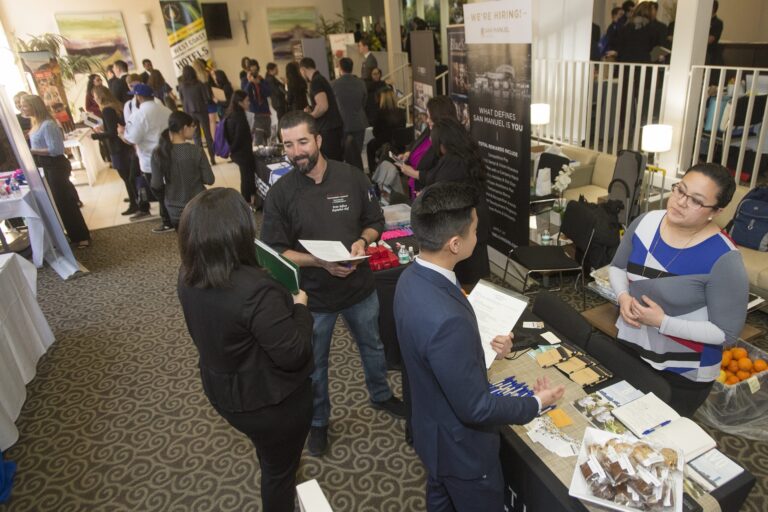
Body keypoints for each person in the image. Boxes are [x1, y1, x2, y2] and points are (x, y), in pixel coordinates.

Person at [394, 180, 565, 511]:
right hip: (463, 453)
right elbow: (476, 408)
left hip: (430, 433)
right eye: (475, 230)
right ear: (455, 244)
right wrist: (535, 402)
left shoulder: (411, 278)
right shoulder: (447, 321)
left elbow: (429, 351)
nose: (478, 236)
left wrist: (479, 348)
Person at [261, 111, 405, 457]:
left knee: (372, 346)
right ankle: (319, 421)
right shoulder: (281, 193)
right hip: (312, 298)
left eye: (303, 142)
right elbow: (275, 252)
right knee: (315, 364)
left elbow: (375, 221)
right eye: (288, 144)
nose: (296, 151)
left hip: (359, 287)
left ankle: (382, 395)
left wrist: (362, 242)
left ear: (319, 140)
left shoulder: (351, 177)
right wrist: (320, 262)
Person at [177, 187, 314, 512]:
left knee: (270, 455)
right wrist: (300, 308)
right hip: (270, 404)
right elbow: (294, 353)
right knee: (279, 473)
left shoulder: (187, 275)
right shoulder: (256, 289)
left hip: (224, 392)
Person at [609, 163, 748, 417]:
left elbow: (725, 333)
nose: (680, 202)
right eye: (680, 190)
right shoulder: (645, 223)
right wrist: (623, 295)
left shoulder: (724, 258)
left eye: (695, 200)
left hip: (683, 371)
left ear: (716, 211)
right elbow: (617, 267)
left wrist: (663, 322)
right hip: (631, 345)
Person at [417, 119, 490, 289]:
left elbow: (442, 193)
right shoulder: (467, 155)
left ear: (443, 142)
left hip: (466, 224)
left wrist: (427, 195)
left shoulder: (453, 162)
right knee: (473, 273)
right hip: (473, 220)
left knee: (468, 280)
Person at [22, 94, 91, 248]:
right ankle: (74, 235)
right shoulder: (36, 123)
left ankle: (82, 236)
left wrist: (32, 151)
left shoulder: (48, 124)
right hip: (46, 166)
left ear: (34, 106)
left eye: (24, 105)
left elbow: (56, 149)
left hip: (55, 166)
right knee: (59, 203)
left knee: (66, 203)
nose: (22, 109)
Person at [150, 111, 214, 230]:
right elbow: (209, 179)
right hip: (198, 205)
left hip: (174, 210)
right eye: (193, 126)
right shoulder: (196, 151)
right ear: (184, 128)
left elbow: (156, 185)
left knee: (185, 242)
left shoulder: (158, 153)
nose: (195, 129)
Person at [123, 83, 173, 226]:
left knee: (158, 191)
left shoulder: (138, 115)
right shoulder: (165, 110)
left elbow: (131, 138)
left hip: (150, 160)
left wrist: (121, 133)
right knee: (169, 188)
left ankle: (168, 221)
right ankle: (172, 218)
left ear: (138, 97)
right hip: (169, 155)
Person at [395, 95, 457, 197]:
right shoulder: (429, 129)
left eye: (430, 117)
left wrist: (414, 173)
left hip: (429, 195)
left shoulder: (447, 144)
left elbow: (439, 176)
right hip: (416, 188)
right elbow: (416, 143)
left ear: (440, 117)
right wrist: (408, 153)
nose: (427, 120)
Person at [90, 85, 138, 215]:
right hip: (123, 145)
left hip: (117, 147)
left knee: (126, 176)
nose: (94, 99)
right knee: (128, 175)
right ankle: (134, 197)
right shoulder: (117, 106)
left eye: (94, 96)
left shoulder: (107, 110)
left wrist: (95, 136)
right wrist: (103, 128)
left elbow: (112, 133)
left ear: (100, 96)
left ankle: (135, 203)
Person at [299, 58, 344, 161]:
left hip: (328, 130)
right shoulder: (321, 79)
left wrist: (309, 116)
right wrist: (312, 109)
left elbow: (323, 106)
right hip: (333, 127)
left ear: (303, 70)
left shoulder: (316, 82)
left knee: (331, 163)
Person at [178, 65, 216, 165]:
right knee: (208, 135)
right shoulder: (199, 84)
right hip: (202, 111)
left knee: (196, 137)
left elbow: (182, 100)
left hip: (189, 113)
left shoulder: (181, 86)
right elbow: (206, 98)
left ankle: (201, 160)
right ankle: (212, 158)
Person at [224, 90, 258, 206]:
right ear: (240, 102)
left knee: (246, 176)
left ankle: (250, 200)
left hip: (238, 153)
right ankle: (246, 202)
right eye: (247, 101)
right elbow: (240, 136)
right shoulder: (240, 116)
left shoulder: (231, 113)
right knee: (247, 178)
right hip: (242, 153)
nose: (249, 103)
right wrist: (233, 149)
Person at [331, 57, 368, 160]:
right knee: (357, 154)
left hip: (342, 124)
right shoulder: (361, 83)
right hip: (359, 123)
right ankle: (357, 174)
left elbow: (332, 106)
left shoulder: (334, 84)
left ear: (340, 68)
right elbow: (364, 102)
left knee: (345, 154)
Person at [366, 87, 406, 171]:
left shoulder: (380, 114)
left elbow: (375, 132)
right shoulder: (402, 112)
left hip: (384, 145)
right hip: (399, 146)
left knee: (369, 145)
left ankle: (373, 171)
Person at [245, 60, 272, 145]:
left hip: (265, 113)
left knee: (267, 138)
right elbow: (245, 94)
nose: (254, 73)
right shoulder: (245, 81)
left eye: (256, 70)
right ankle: (257, 157)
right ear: (248, 71)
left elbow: (268, 93)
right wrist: (250, 82)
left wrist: (259, 83)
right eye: (252, 71)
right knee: (258, 140)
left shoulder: (262, 80)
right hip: (255, 114)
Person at [707, 1, 724, 66]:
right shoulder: (703, 20)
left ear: (713, 8)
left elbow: (711, 39)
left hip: (710, 54)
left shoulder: (718, 23)